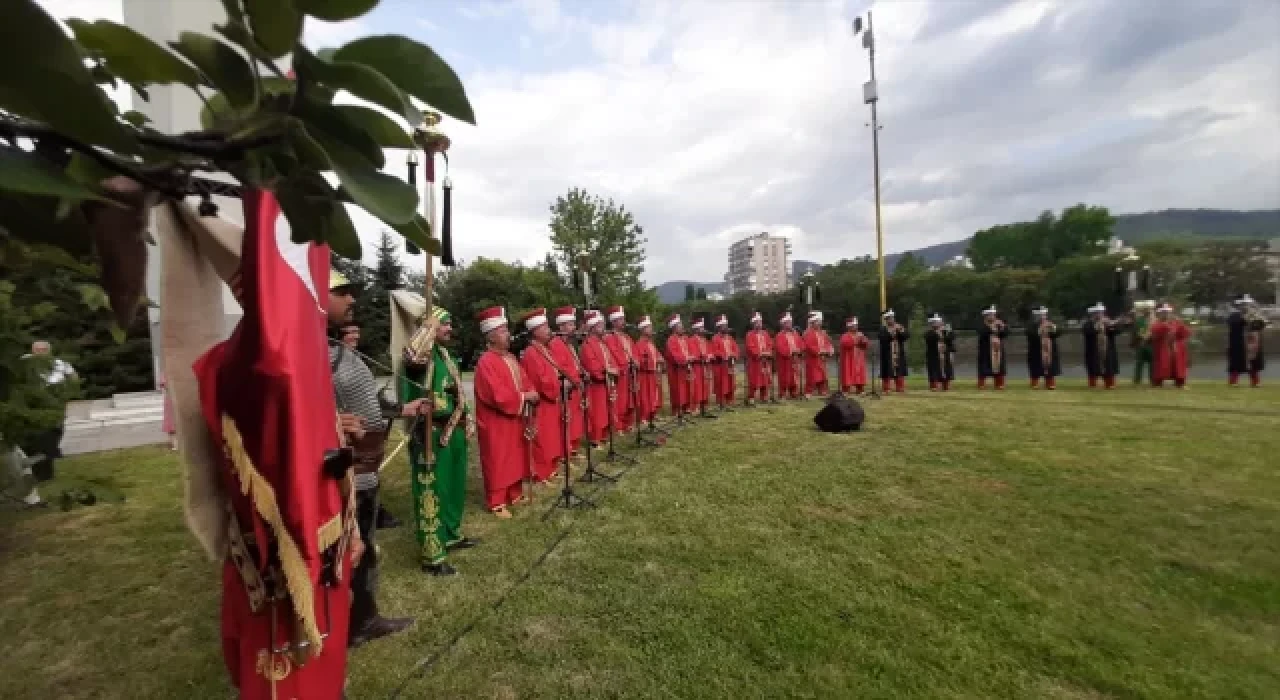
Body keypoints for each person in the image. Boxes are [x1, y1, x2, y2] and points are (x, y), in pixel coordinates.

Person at [328, 273, 416, 646]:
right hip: (342, 472)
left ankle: (363, 615)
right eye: (342, 292)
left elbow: (370, 406)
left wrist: (402, 408)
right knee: (348, 550)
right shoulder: (310, 354)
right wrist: (332, 421)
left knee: (364, 546)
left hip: (363, 468)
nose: (352, 300)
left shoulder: (336, 353)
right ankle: (350, 622)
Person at [398, 306, 475, 577]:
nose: (450, 329)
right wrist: (427, 328)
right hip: (430, 433)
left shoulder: (444, 354)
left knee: (454, 486)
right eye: (444, 324)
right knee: (432, 491)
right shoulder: (422, 354)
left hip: (452, 431)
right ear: (430, 328)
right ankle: (433, 554)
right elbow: (411, 356)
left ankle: (451, 534)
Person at [472, 307, 538, 517]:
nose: (508, 334)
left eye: (507, 330)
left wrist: (531, 391)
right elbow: (496, 394)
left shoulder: (510, 358)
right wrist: (523, 397)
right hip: (495, 421)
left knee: (514, 455)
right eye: (502, 331)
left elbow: (525, 379)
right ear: (491, 336)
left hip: (515, 417)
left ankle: (514, 494)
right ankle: (497, 501)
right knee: (498, 458)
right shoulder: (486, 362)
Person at [519, 308, 567, 483]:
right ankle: (540, 471)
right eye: (545, 326)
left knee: (551, 436)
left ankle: (550, 468)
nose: (549, 329)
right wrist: (558, 385)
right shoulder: (532, 352)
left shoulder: (544, 349)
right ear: (535, 330)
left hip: (552, 399)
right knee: (542, 437)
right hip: (542, 402)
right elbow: (540, 380)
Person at [20, 341, 77, 483]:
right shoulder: (24, 362)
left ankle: (50, 453)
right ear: (32, 350)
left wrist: (67, 391)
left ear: (49, 351)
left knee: (56, 429)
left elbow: (73, 377)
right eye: (37, 349)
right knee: (39, 436)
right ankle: (42, 461)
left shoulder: (60, 363)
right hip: (33, 403)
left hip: (54, 401)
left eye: (44, 349)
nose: (40, 352)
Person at [548, 307, 587, 454]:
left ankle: (573, 449)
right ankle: (566, 451)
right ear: (562, 326)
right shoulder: (556, 344)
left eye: (573, 324)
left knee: (575, 419)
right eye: (570, 325)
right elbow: (561, 368)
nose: (573, 328)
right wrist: (573, 380)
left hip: (575, 386)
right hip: (567, 388)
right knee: (566, 419)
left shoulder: (569, 345)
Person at [579, 310, 617, 446]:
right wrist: (606, 371)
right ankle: (595, 438)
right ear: (593, 327)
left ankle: (604, 435)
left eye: (602, 324)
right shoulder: (587, 344)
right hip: (596, 385)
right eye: (600, 325)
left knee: (606, 410)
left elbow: (611, 360)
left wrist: (613, 369)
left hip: (606, 382)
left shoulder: (602, 343)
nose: (603, 327)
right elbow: (591, 364)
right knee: (597, 412)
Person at [604, 306, 637, 432]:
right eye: (620, 319)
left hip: (630, 372)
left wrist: (635, 361)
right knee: (620, 400)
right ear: (613, 322)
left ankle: (628, 423)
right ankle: (618, 426)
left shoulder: (627, 337)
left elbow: (634, 352)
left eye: (623, 319)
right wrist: (626, 363)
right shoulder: (610, 337)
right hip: (620, 373)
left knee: (630, 399)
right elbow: (613, 353)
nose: (623, 322)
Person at [1227, 294, 1266, 387]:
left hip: (1252, 343)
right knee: (1237, 363)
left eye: (1247, 304)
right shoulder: (1234, 316)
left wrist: (1256, 320)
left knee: (1253, 364)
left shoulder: (1255, 315)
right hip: (1239, 343)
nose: (1246, 306)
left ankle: (1255, 382)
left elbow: (1259, 326)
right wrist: (1244, 319)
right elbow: (1233, 325)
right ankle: (1233, 381)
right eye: (1243, 304)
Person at [1150, 303, 1192, 389]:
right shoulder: (1157, 323)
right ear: (1160, 313)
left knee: (1178, 365)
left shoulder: (1176, 322)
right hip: (1163, 348)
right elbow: (1155, 332)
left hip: (1175, 348)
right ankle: (1158, 382)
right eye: (1164, 312)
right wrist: (1165, 326)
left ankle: (1180, 382)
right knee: (1161, 366)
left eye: (1168, 312)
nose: (1166, 314)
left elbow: (1185, 333)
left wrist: (1181, 324)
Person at [632, 316, 663, 426]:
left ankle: (652, 414)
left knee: (653, 394)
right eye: (649, 327)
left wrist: (659, 359)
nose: (651, 329)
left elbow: (657, 355)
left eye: (650, 327)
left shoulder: (651, 343)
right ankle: (643, 416)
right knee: (645, 395)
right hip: (644, 374)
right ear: (643, 329)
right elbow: (639, 360)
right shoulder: (639, 344)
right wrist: (649, 362)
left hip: (652, 373)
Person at [1082, 302, 1121, 389]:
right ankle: (1092, 383)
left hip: (1107, 349)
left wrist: (1111, 325)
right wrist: (1097, 327)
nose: (1099, 315)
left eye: (1101, 313)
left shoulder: (1107, 322)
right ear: (1093, 314)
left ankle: (1109, 383)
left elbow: (1116, 331)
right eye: (1097, 313)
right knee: (1093, 367)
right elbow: (1087, 332)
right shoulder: (1088, 324)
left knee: (1108, 366)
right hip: (1093, 350)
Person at [664, 314, 695, 418]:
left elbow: (691, 350)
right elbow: (673, 355)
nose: (682, 327)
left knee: (687, 387)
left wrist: (691, 357)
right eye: (679, 325)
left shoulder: (685, 338)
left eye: (681, 325)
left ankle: (686, 407)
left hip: (686, 367)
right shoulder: (671, 340)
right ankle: (677, 409)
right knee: (677, 389)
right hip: (676, 369)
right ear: (674, 328)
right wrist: (686, 359)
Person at [1026, 306, 1062, 390]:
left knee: (1050, 366)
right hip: (1036, 350)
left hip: (1049, 349)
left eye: (1044, 315)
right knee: (1036, 367)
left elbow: (1058, 333)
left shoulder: (1051, 323)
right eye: (1040, 315)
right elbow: (1030, 334)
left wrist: (1053, 328)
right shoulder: (1032, 325)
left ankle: (1050, 383)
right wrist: (1040, 329)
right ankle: (1035, 383)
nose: (1042, 317)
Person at [744, 312, 774, 404]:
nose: (759, 324)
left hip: (765, 360)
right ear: (753, 324)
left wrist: (767, 353)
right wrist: (759, 354)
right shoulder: (750, 334)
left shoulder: (765, 333)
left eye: (760, 322)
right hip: (755, 361)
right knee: (754, 380)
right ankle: (751, 397)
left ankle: (764, 396)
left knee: (765, 379)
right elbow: (750, 347)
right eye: (757, 322)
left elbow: (770, 344)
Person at [711, 315, 740, 408]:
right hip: (720, 365)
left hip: (730, 364)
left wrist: (734, 355)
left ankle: (730, 400)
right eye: (723, 326)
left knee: (730, 382)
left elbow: (736, 348)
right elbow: (715, 351)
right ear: (719, 327)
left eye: (726, 325)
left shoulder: (730, 338)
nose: (726, 327)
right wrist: (725, 356)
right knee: (721, 383)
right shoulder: (715, 338)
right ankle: (721, 401)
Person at [802, 311, 834, 396]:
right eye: (817, 321)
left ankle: (822, 390)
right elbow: (808, 345)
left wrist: (829, 350)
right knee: (812, 375)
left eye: (820, 321)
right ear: (812, 322)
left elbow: (827, 343)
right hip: (812, 358)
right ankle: (809, 391)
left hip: (822, 358)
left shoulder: (823, 333)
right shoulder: (807, 333)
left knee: (822, 375)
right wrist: (819, 351)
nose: (819, 323)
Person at [976, 306, 1009, 390]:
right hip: (986, 349)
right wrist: (991, 327)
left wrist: (1002, 327)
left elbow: (1005, 334)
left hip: (998, 349)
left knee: (999, 366)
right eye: (990, 315)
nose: (992, 316)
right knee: (984, 367)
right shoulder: (982, 324)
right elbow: (981, 332)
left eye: (993, 314)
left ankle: (999, 383)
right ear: (986, 315)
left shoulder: (998, 323)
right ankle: (981, 383)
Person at [690, 317, 716, 416]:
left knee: (705, 386)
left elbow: (710, 351)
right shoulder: (692, 340)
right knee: (697, 387)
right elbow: (694, 353)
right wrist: (705, 356)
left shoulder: (705, 340)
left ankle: (704, 406)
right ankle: (695, 407)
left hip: (705, 366)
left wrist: (710, 355)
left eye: (703, 327)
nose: (703, 329)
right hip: (697, 366)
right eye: (701, 328)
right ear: (696, 329)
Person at [878, 310, 908, 393]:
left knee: (899, 369)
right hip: (887, 353)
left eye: (892, 318)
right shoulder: (883, 329)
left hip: (898, 352)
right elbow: (883, 339)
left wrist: (901, 330)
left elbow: (906, 336)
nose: (891, 320)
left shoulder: (899, 326)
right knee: (887, 370)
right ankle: (886, 387)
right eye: (889, 319)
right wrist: (891, 333)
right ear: (886, 320)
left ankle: (900, 387)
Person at [923, 313, 956, 391]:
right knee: (934, 370)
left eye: (938, 322)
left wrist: (948, 331)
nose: (937, 323)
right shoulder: (929, 333)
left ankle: (946, 384)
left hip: (945, 355)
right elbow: (933, 338)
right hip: (934, 356)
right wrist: (939, 332)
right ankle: (934, 385)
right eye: (935, 322)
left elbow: (951, 338)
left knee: (947, 369)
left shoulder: (945, 331)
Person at [774, 312, 803, 399]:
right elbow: (780, 347)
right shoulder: (779, 335)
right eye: (787, 323)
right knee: (784, 377)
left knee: (794, 377)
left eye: (790, 322)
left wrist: (799, 351)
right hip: (785, 361)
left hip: (795, 359)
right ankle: (782, 393)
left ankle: (793, 392)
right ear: (783, 324)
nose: (789, 324)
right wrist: (790, 351)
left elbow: (801, 344)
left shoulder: (795, 334)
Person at [837, 317, 868, 394]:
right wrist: (856, 340)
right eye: (854, 325)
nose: (856, 327)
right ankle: (846, 389)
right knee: (847, 373)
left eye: (856, 325)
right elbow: (845, 343)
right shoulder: (845, 336)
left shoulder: (860, 334)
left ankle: (860, 388)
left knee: (859, 373)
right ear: (849, 326)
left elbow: (865, 344)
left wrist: (863, 340)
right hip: (849, 359)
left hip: (859, 358)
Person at [1130, 300, 1156, 385]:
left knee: (1152, 363)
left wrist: (1151, 336)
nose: (1147, 310)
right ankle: (1137, 379)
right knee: (1139, 363)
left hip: (1152, 344)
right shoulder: (1139, 320)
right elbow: (1136, 331)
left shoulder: (1155, 320)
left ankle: (1152, 379)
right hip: (1141, 344)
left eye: (1149, 309)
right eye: (1146, 309)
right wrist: (1141, 337)